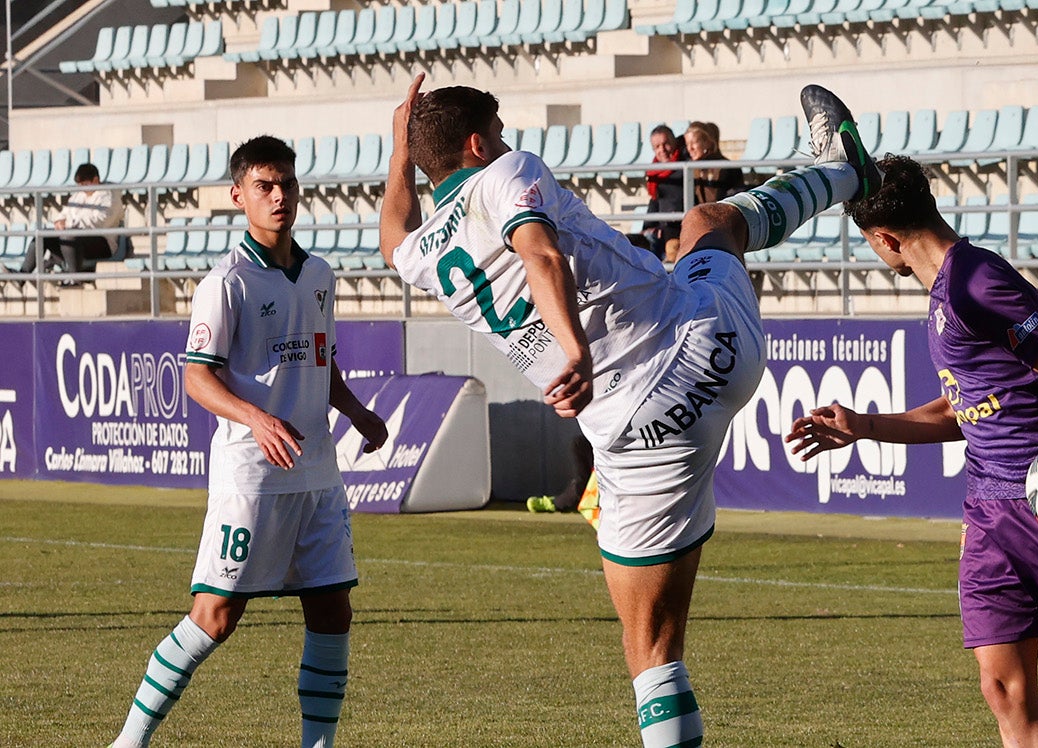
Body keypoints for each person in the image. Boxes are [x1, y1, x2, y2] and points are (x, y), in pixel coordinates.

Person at [379, 73, 881, 748]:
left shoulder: (414, 257)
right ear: (476, 144)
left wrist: (397, 152)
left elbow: (393, 226)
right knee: (709, 224)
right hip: (702, 345)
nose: (507, 141)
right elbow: (540, 253)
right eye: (497, 131)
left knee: (651, 652)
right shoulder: (506, 174)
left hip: (637, 436)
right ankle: (844, 172)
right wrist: (574, 346)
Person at [785, 155, 1038, 748]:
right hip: (988, 514)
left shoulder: (978, 282)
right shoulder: (944, 296)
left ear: (884, 238)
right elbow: (970, 409)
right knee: (1003, 688)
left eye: (872, 247)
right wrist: (864, 425)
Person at [107, 136, 388, 748]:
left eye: (286, 182)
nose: (279, 195)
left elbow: (322, 361)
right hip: (252, 477)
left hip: (316, 473)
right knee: (216, 616)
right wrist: (256, 419)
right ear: (240, 196)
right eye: (264, 186)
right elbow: (197, 377)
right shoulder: (225, 283)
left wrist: (358, 412)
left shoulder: (319, 274)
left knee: (333, 610)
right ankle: (128, 742)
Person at [19, 162, 124, 284]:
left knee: (68, 235)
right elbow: (65, 212)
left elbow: (100, 220)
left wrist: (68, 223)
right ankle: (22, 276)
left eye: (85, 184)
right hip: (77, 239)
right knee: (43, 235)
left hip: (102, 242)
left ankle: (75, 279)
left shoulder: (110, 196)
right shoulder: (79, 195)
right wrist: (59, 221)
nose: (82, 189)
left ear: (95, 180)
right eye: (80, 185)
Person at [643, 124, 686, 261]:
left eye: (666, 144)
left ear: (674, 143)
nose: (662, 150)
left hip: (678, 228)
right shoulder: (655, 172)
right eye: (657, 147)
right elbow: (655, 201)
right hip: (661, 228)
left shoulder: (687, 167)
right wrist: (648, 226)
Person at [683, 121, 745, 208]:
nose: (690, 148)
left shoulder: (727, 168)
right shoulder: (689, 168)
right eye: (687, 144)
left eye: (694, 142)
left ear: (708, 143)